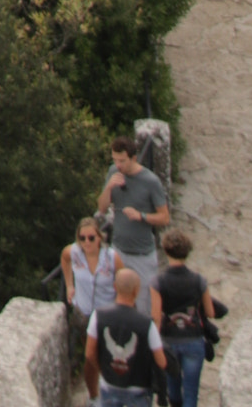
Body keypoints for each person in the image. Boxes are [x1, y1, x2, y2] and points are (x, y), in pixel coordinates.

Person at [154, 229, 219, 407]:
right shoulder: (199, 280)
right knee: (191, 394)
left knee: (173, 391)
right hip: (193, 339)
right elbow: (211, 312)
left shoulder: (158, 282)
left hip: (169, 340)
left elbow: (156, 317)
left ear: (166, 251)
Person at [65, 215, 121, 399]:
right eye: (82, 238)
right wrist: (69, 285)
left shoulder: (112, 257)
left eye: (91, 237)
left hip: (107, 315)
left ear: (99, 237)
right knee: (90, 358)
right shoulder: (74, 253)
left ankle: (110, 392)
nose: (86, 242)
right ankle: (94, 396)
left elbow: (123, 281)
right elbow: (64, 259)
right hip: (84, 314)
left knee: (105, 356)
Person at [89, 267, 165, 402]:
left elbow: (89, 353)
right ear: (137, 290)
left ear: (114, 287)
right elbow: (161, 361)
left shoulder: (98, 315)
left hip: (109, 384)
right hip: (138, 388)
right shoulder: (147, 324)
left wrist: (104, 370)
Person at [104, 138, 171, 283]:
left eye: (122, 161)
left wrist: (140, 216)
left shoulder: (150, 181)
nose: (118, 165)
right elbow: (102, 208)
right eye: (115, 160)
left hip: (142, 254)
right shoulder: (113, 172)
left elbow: (164, 218)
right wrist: (108, 188)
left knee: (142, 302)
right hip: (118, 250)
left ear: (133, 158)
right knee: (117, 300)